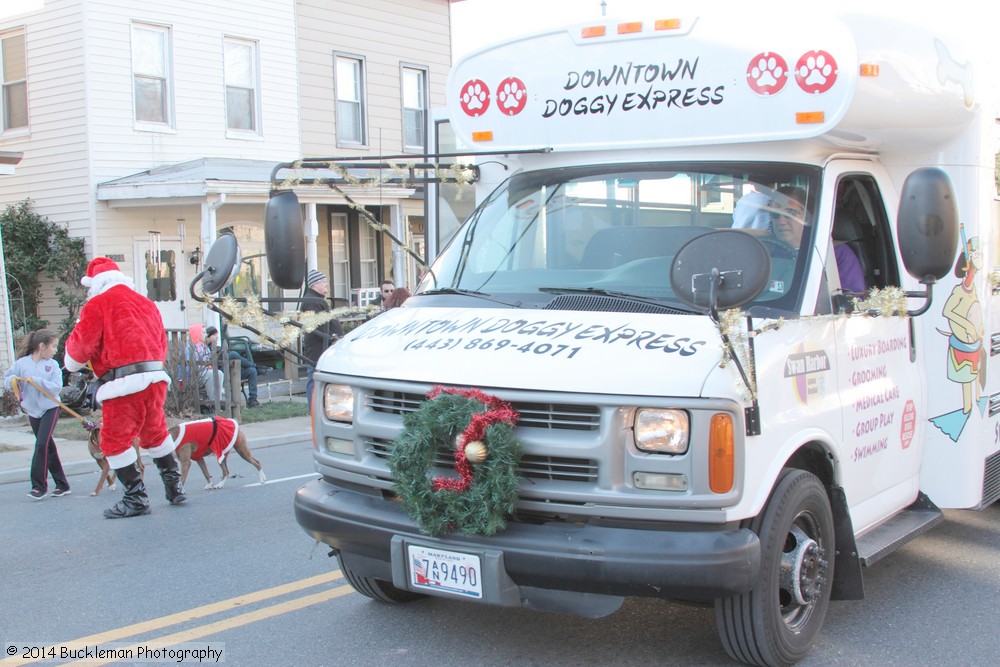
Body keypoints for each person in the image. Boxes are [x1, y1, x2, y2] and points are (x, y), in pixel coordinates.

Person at [64, 256, 185, 518]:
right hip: (154, 377)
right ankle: (175, 487)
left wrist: (72, 360)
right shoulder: (146, 303)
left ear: (94, 284)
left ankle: (136, 499)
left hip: (122, 383)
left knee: (114, 441)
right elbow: (161, 343)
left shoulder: (97, 305)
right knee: (155, 432)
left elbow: (78, 351)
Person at [3, 329, 71, 500]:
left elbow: (56, 387)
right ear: (42, 346)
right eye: (53, 346)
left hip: (50, 407)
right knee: (47, 446)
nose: (56, 350)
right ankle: (62, 485)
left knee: (41, 444)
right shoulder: (21, 364)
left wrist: (37, 381)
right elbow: (7, 379)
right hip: (33, 410)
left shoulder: (53, 365)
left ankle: (38, 486)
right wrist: (13, 381)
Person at [770, 186, 866, 293]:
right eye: (775, 214)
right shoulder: (768, 253)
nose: (781, 221)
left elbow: (854, 299)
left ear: (807, 218)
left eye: (790, 213)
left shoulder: (835, 254)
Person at [301, 270, 344, 406]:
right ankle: (314, 408)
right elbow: (315, 325)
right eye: (324, 282)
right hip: (318, 348)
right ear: (315, 284)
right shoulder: (313, 301)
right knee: (314, 378)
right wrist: (331, 336)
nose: (326, 285)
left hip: (323, 346)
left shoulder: (317, 300)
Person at [203, 325, 259, 408]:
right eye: (215, 335)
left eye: (217, 334)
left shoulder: (218, 348)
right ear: (208, 337)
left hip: (230, 372)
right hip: (218, 374)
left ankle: (252, 400)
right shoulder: (204, 348)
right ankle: (256, 366)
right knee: (233, 354)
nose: (217, 337)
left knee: (252, 371)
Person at [187, 323, 225, 405]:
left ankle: (218, 401)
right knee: (213, 374)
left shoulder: (204, 347)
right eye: (203, 333)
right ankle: (213, 403)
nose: (206, 334)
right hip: (192, 376)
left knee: (219, 373)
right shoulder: (190, 348)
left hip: (204, 374)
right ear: (197, 334)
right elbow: (189, 367)